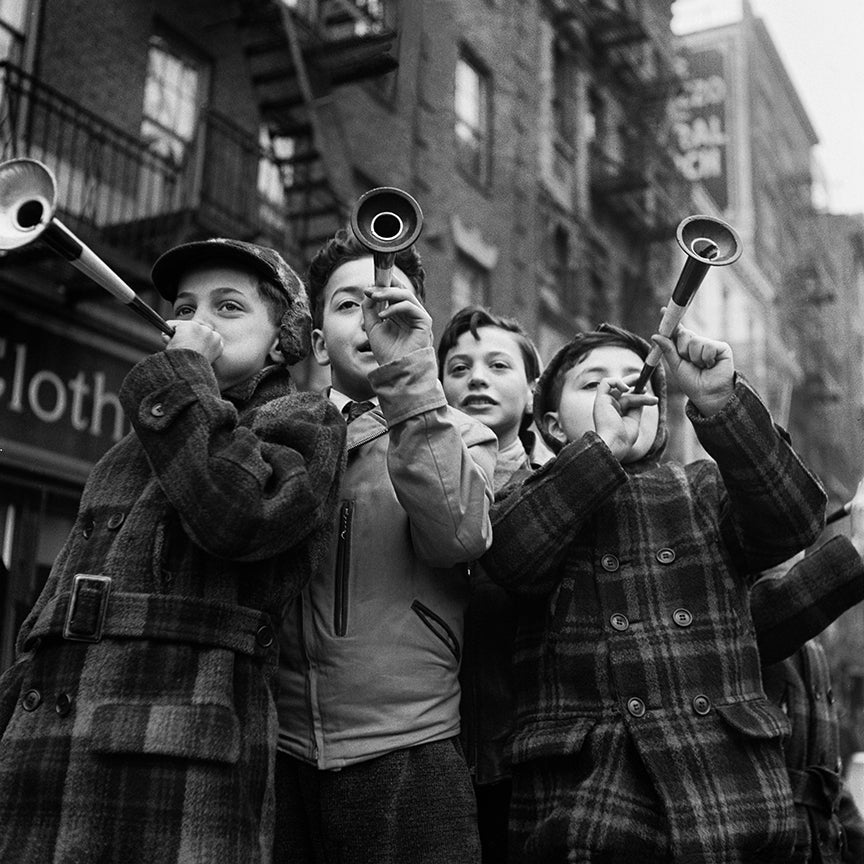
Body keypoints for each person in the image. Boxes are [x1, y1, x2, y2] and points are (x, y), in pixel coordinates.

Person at [0, 238, 346, 864]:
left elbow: (239, 516)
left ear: (282, 341)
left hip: (172, 767)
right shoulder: (129, 449)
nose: (197, 320)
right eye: (185, 306)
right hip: (43, 756)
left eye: (229, 306)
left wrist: (184, 376)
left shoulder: (304, 421)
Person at [481, 321, 827, 863]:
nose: (621, 390)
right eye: (593, 383)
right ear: (550, 423)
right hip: (587, 813)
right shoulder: (527, 495)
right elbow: (509, 559)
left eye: (633, 377)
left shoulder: (705, 488)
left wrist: (721, 402)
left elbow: (794, 520)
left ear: (659, 416)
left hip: (733, 803)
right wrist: (598, 452)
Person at [274, 229, 496, 864]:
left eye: (390, 301)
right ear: (317, 342)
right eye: (349, 305)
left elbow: (457, 536)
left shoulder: (465, 434)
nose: (372, 316)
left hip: (411, 749)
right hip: (283, 745)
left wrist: (408, 381)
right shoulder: (283, 431)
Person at [437, 305, 544, 863]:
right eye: (458, 367)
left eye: (497, 365)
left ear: (532, 391)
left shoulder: (558, 494)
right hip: (431, 758)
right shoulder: (412, 488)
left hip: (531, 766)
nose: (476, 377)